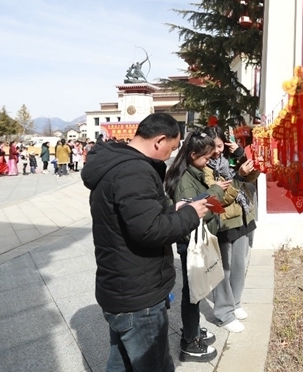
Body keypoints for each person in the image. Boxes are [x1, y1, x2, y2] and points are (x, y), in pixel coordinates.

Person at [82, 113, 210, 372]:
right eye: (172, 148)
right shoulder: (134, 171)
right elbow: (150, 230)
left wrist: (173, 209)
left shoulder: (118, 163)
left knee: (121, 363)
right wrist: (190, 214)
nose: (171, 154)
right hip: (138, 294)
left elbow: (138, 217)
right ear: (159, 140)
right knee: (155, 365)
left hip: (121, 286)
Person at [163, 130, 230, 362]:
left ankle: (192, 329)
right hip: (190, 243)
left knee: (196, 291)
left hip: (193, 241)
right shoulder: (185, 181)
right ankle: (190, 342)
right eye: (207, 157)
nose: (210, 161)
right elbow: (195, 215)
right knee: (193, 293)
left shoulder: (192, 173)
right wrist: (216, 191)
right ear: (193, 155)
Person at [203, 126, 259, 332]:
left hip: (242, 218)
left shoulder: (230, 159)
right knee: (222, 271)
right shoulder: (205, 168)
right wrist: (239, 177)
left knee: (238, 266)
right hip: (223, 222)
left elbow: (253, 175)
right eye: (212, 147)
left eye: (220, 146)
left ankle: (235, 303)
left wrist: (241, 155)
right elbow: (219, 199)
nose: (217, 151)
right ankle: (223, 313)